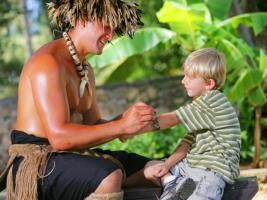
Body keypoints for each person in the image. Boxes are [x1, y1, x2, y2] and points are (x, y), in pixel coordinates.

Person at [0, 1, 157, 200]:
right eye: (106, 26)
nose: (110, 36)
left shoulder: (85, 69)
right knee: (108, 176)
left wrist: (124, 121)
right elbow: (60, 138)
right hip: (37, 162)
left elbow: (92, 127)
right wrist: (121, 127)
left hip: (70, 157)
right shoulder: (48, 63)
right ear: (84, 18)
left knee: (154, 168)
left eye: (113, 29)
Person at [142, 48, 241, 200]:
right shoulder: (202, 110)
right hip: (190, 168)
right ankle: (172, 183)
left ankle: (176, 189)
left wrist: (130, 129)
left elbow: (171, 119)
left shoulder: (213, 101)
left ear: (209, 83)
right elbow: (187, 142)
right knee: (151, 168)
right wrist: (167, 165)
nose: (183, 81)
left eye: (189, 77)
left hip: (209, 173)